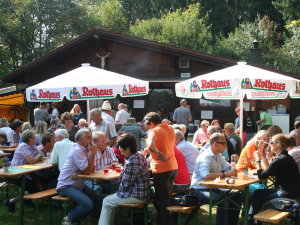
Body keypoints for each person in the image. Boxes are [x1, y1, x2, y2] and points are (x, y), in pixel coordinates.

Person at [190, 133, 243, 225]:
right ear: (215, 144)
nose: (226, 146)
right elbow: (205, 176)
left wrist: (234, 164)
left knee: (238, 194)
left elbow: (229, 169)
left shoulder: (218, 156)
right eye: (224, 143)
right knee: (223, 200)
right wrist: (225, 174)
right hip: (198, 190)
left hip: (212, 187)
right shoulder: (205, 156)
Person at [98, 133, 151, 225]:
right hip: (142, 193)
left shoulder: (132, 161)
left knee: (107, 201)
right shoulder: (139, 155)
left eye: (121, 147)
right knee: (110, 199)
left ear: (128, 149)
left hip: (137, 195)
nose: (119, 149)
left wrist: (117, 189)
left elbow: (125, 186)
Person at [56, 129, 102, 225]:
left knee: (100, 199)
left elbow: (91, 169)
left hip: (78, 184)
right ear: (81, 139)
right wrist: (93, 153)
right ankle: (68, 219)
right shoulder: (77, 150)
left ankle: (77, 219)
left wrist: (80, 171)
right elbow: (88, 170)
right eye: (89, 137)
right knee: (88, 204)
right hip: (66, 185)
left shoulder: (86, 149)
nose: (91, 139)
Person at [251, 134, 300, 221]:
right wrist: (262, 155)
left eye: (272, 143)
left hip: (287, 194)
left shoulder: (280, 159)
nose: (270, 145)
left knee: (258, 198)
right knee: (257, 193)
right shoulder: (285, 157)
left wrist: (258, 160)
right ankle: (254, 218)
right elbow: (269, 170)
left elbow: (261, 175)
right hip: (290, 191)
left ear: (279, 144)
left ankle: (254, 220)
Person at [145, 112, 178, 225]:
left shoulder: (154, 131)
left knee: (162, 202)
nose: (149, 127)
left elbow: (151, 145)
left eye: (149, 125)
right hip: (173, 167)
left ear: (152, 123)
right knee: (166, 199)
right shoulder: (170, 129)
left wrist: (159, 153)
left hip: (162, 168)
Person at [4, 129, 43, 213]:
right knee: (33, 189)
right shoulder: (23, 146)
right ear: (29, 139)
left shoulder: (32, 145)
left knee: (39, 184)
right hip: (15, 174)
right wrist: (37, 157)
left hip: (26, 172)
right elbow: (32, 161)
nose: (36, 139)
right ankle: (10, 201)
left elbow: (40, 155)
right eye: (34, 137)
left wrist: (37, 157)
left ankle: (26, 200)